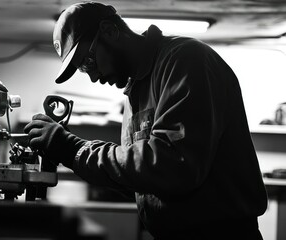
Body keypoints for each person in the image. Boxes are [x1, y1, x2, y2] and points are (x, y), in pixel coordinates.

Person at [23, 2, 268, 239]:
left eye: (88, 61)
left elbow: (173, 164)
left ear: (110, 31)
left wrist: (74, 149)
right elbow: (142, 179)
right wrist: (75, 158)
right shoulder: (135, 92)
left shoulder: (185, 61)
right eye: (85, 70)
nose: (93, 76)